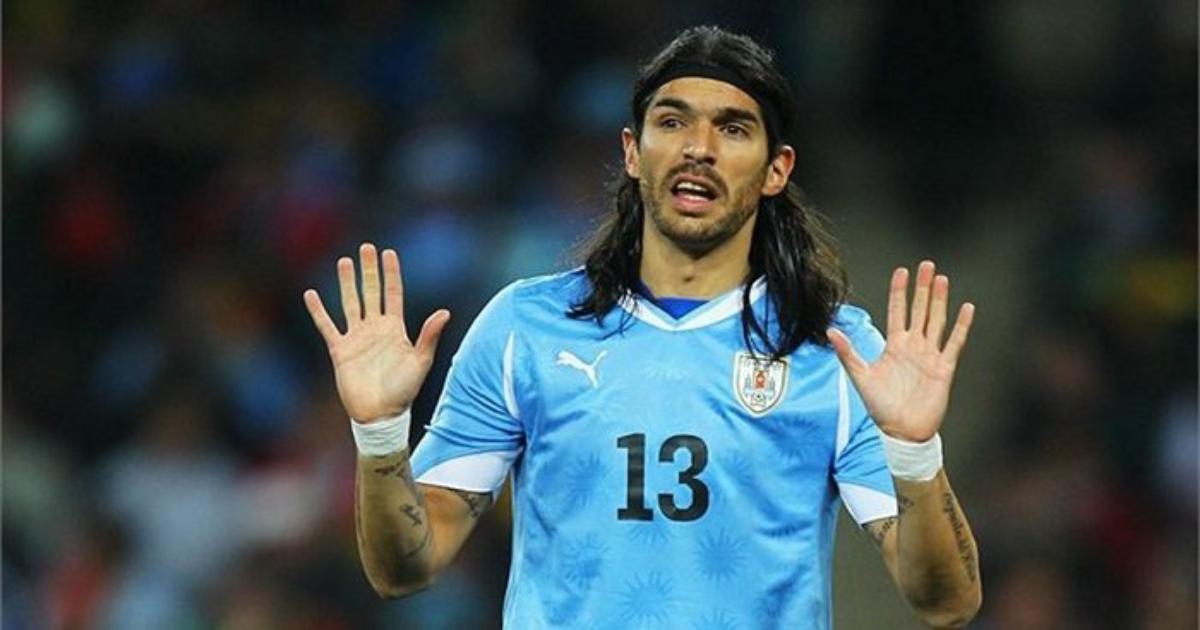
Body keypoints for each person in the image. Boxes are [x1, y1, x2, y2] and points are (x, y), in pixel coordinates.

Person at [303, 25, 981, 629]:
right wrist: (381, 433)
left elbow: (945, 603)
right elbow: (405, 568)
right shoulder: (526, 328)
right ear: (633, 150)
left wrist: (915, 454)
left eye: (733, 129)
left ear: (777, 170)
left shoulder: (831, 349)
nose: (699, 149)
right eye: (673, 121)